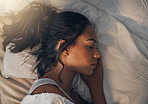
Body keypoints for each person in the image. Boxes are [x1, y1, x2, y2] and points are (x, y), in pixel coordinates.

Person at [2, 3, 106, 104]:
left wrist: (95, 88)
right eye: (90, 46)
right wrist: (96, 89)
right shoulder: (49, 98)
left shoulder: (65, 94)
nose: (97, 54)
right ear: (64, 47)